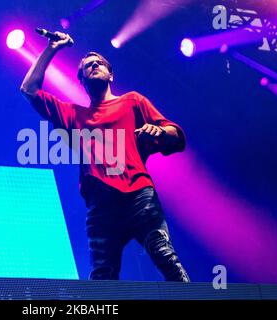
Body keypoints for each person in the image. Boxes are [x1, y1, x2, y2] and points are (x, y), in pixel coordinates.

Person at [20, 31, 190, 282]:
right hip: (101, 205)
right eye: (88, 66)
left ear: (111, 74)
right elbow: (29, 89)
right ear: (82, 81)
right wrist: (52, 48)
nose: (94, 65)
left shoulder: (133, 101)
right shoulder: (73, 115)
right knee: (102, 277)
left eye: (99, 62)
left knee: (166, 257)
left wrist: (160, 131)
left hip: (138, 195)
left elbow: (175, 136)